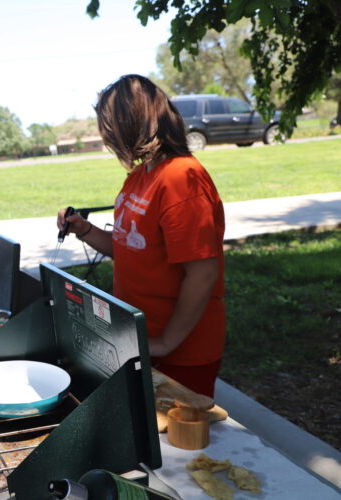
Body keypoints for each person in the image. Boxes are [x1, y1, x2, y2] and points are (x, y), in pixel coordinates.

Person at [57, 74, 225, 398]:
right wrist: (86, 231)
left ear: (129, 124)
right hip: (142, 341)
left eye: (108, 127)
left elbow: (203, 273)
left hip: (181, 351)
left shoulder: (181, 179)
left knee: (180, 447)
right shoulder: (140, 175)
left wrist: (166, 342)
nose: (105, 137)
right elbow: (132, 249)